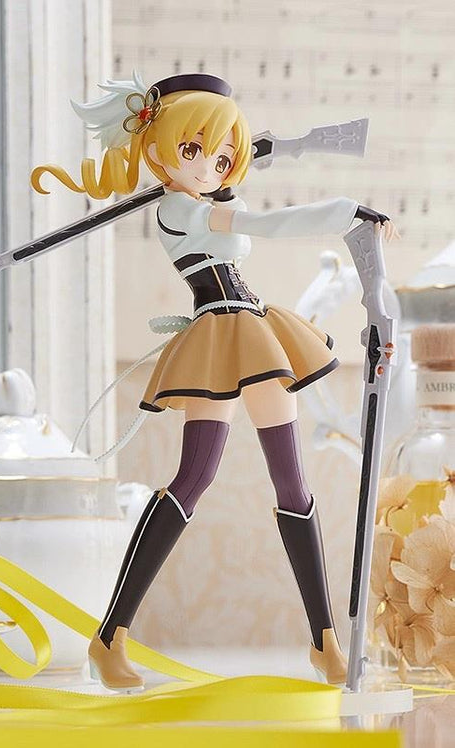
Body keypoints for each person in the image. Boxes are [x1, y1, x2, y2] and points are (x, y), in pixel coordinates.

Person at [31, 71, 398, 691]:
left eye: (223, 157)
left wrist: (244, 161)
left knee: (291, 480)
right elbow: (270, 225)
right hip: (224, 337)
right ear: (156, 149)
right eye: (193, 150)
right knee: (194, 479)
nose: (209, 167)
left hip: (253, 331)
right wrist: (347, 212)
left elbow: (234, 204)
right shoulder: (180, 209)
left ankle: (325, 641)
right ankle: (110, 637)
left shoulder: (207, 198)